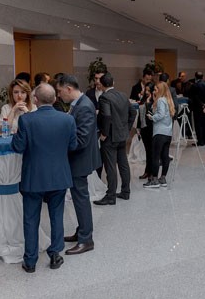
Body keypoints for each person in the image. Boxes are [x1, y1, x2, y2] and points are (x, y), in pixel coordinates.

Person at [11, 83, 76, 272]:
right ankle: (55, 255)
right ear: (55, 99)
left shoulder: (26, 120)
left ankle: (30, 261)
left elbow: (18, 147)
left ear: (35, 100)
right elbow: (73, 146)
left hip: (34, 177)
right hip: (58, 175)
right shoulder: (67, 120)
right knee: (57, 216)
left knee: (31, 219)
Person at [55, 74, 101, 255]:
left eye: (60, 91)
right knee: (78, 198)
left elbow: (81, 139)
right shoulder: (79, 104)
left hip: (80, 160)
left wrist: (60, 145)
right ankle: (81, 231)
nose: (59, 95)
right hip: (78, 159)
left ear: (69, 88)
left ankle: (86, 239)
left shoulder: (85, 107)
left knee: (81, 199)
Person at [95, 73, 137, 205]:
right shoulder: (123, 95)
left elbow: (107, 116)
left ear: (101, 85)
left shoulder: (104, 97)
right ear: (113, 83)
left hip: (110, 137)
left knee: (110, 166)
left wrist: (104, 133)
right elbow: (133, 112)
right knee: (123, 164)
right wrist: (127, 129)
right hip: (122, 135)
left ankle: (111, 196)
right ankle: (125, 191)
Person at [144, 82, 175, 188]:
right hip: (168, 132)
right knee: (165, 156)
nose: (154, 91)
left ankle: (154, 180)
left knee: (155, 156)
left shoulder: (161, 100)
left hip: (159, 132)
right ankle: (163, 178)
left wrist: (152, 117)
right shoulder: (168, 100)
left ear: (160, 90)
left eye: (156, 89)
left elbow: (160, 114)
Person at [136, 82, 155, 180]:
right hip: (143, 128)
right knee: (147, 151)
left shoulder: (154, 101)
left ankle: (152, 172)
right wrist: (138, 128)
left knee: (151, 152)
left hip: (151, 128)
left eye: (149, 90)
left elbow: (150, 113)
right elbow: (140, 114)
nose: (147, 92)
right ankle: (147, 171)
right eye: (146, 90)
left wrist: (148, 102)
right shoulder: (143, 99)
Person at [188, 72, 205, 146]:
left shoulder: (194, 86)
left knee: (198, 125)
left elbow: (193, 97)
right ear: (202, 77)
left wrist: (201, 104)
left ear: (195, 77)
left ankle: (200, 141)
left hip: (197, 108)